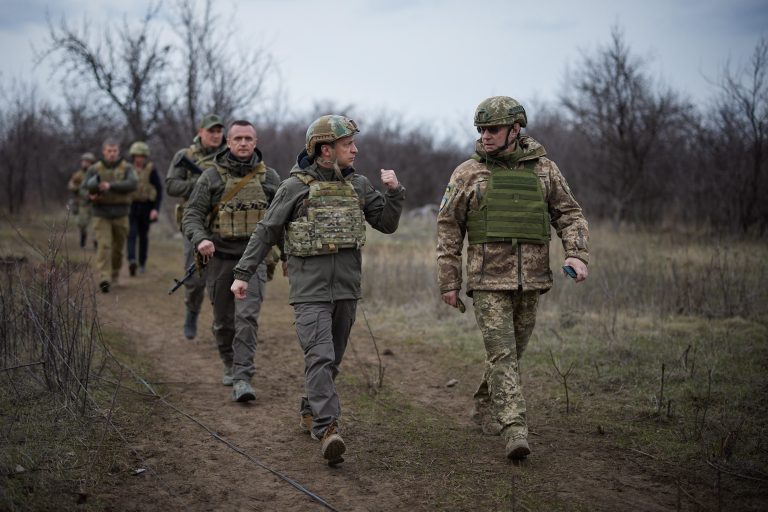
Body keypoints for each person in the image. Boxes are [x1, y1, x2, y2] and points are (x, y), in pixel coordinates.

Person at [230, 115, 405, 465]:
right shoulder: (295, 187)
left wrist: (394, 193)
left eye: (353, 144)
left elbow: (385, 224)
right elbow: (266, 231)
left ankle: (311, 408)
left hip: (346, 290)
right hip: (309, 291)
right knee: (320, 356)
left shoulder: (358, 185)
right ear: (326, 149)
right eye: (346, 145)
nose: (354, 150)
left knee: (332, 359)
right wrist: (243, 273)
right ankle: (328, 429)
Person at [436, 96, 590, 460]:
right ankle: (515, 429)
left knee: (513, 353)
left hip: (532, 280)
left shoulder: (545, 171)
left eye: (493, 129)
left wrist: (576, 253)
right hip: (487, 282)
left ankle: (485, 403)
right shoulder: (467, 173)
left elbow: (570, 214)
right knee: (502, 353)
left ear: (515, 129)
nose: (485, 136)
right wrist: (449, 282)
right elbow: (447, 229)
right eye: (481, 129)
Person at [182, 120, 280, 402]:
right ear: (228, 142)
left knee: (246, 318)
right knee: (224, 322)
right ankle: (229, 361)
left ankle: (242, 376)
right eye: (237, 138)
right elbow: (192, 215)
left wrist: (286, 255)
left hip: (254, 261)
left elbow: (281, 220)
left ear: (256, 141)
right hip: (220, 259)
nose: (243, 143)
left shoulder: (269, 178)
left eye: (248, 138)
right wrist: (201, 239)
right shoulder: (211, 177)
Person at [167, 114, 227, 340]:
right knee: (194, 278)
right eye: (211, 130)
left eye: (219, 131)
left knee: (222, 279)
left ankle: (221, 325)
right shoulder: (186, 156)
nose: (215, 135)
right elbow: (171, 186)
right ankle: (192, 313)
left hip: (223, 225)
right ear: (200, 131)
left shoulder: (228, 156)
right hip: (194, 224)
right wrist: (201, 184)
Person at [82, 139, 138, 293]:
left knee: (118, 248)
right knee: (104, 245)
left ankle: (114, 274)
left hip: (121, 213)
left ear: (118, 151)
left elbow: (133, 184)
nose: (112, 154)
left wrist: (110, 186)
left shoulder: (127, 168)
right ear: (103, 152)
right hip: (101, 213)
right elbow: (83, 188)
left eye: (114, 151)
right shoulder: (94, 169)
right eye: (109, 151)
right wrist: (90, 196)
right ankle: (104, 278)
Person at [126, 141, 163, 276]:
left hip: (147, 206)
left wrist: (155, 209)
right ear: (133, 156)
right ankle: (131, 260)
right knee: (131, 234)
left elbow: (159, 190)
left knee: (143, 236)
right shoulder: (128, 169)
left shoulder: (151, 170)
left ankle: (142, 263)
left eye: (141, 156)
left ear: (145, 156)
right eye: (136, 155)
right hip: (131, 206)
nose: (139, 158)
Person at [67, 152, 96, 248]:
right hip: (83, 203)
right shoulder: (78, 175)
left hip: (95, 203)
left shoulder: (95, 174)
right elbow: (70, 185)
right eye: (84, 161)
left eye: (88, 162)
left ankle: (97, 242)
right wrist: (79, 188)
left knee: (97, 224)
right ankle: (83, 238)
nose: (85, 163)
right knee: (82, 224)